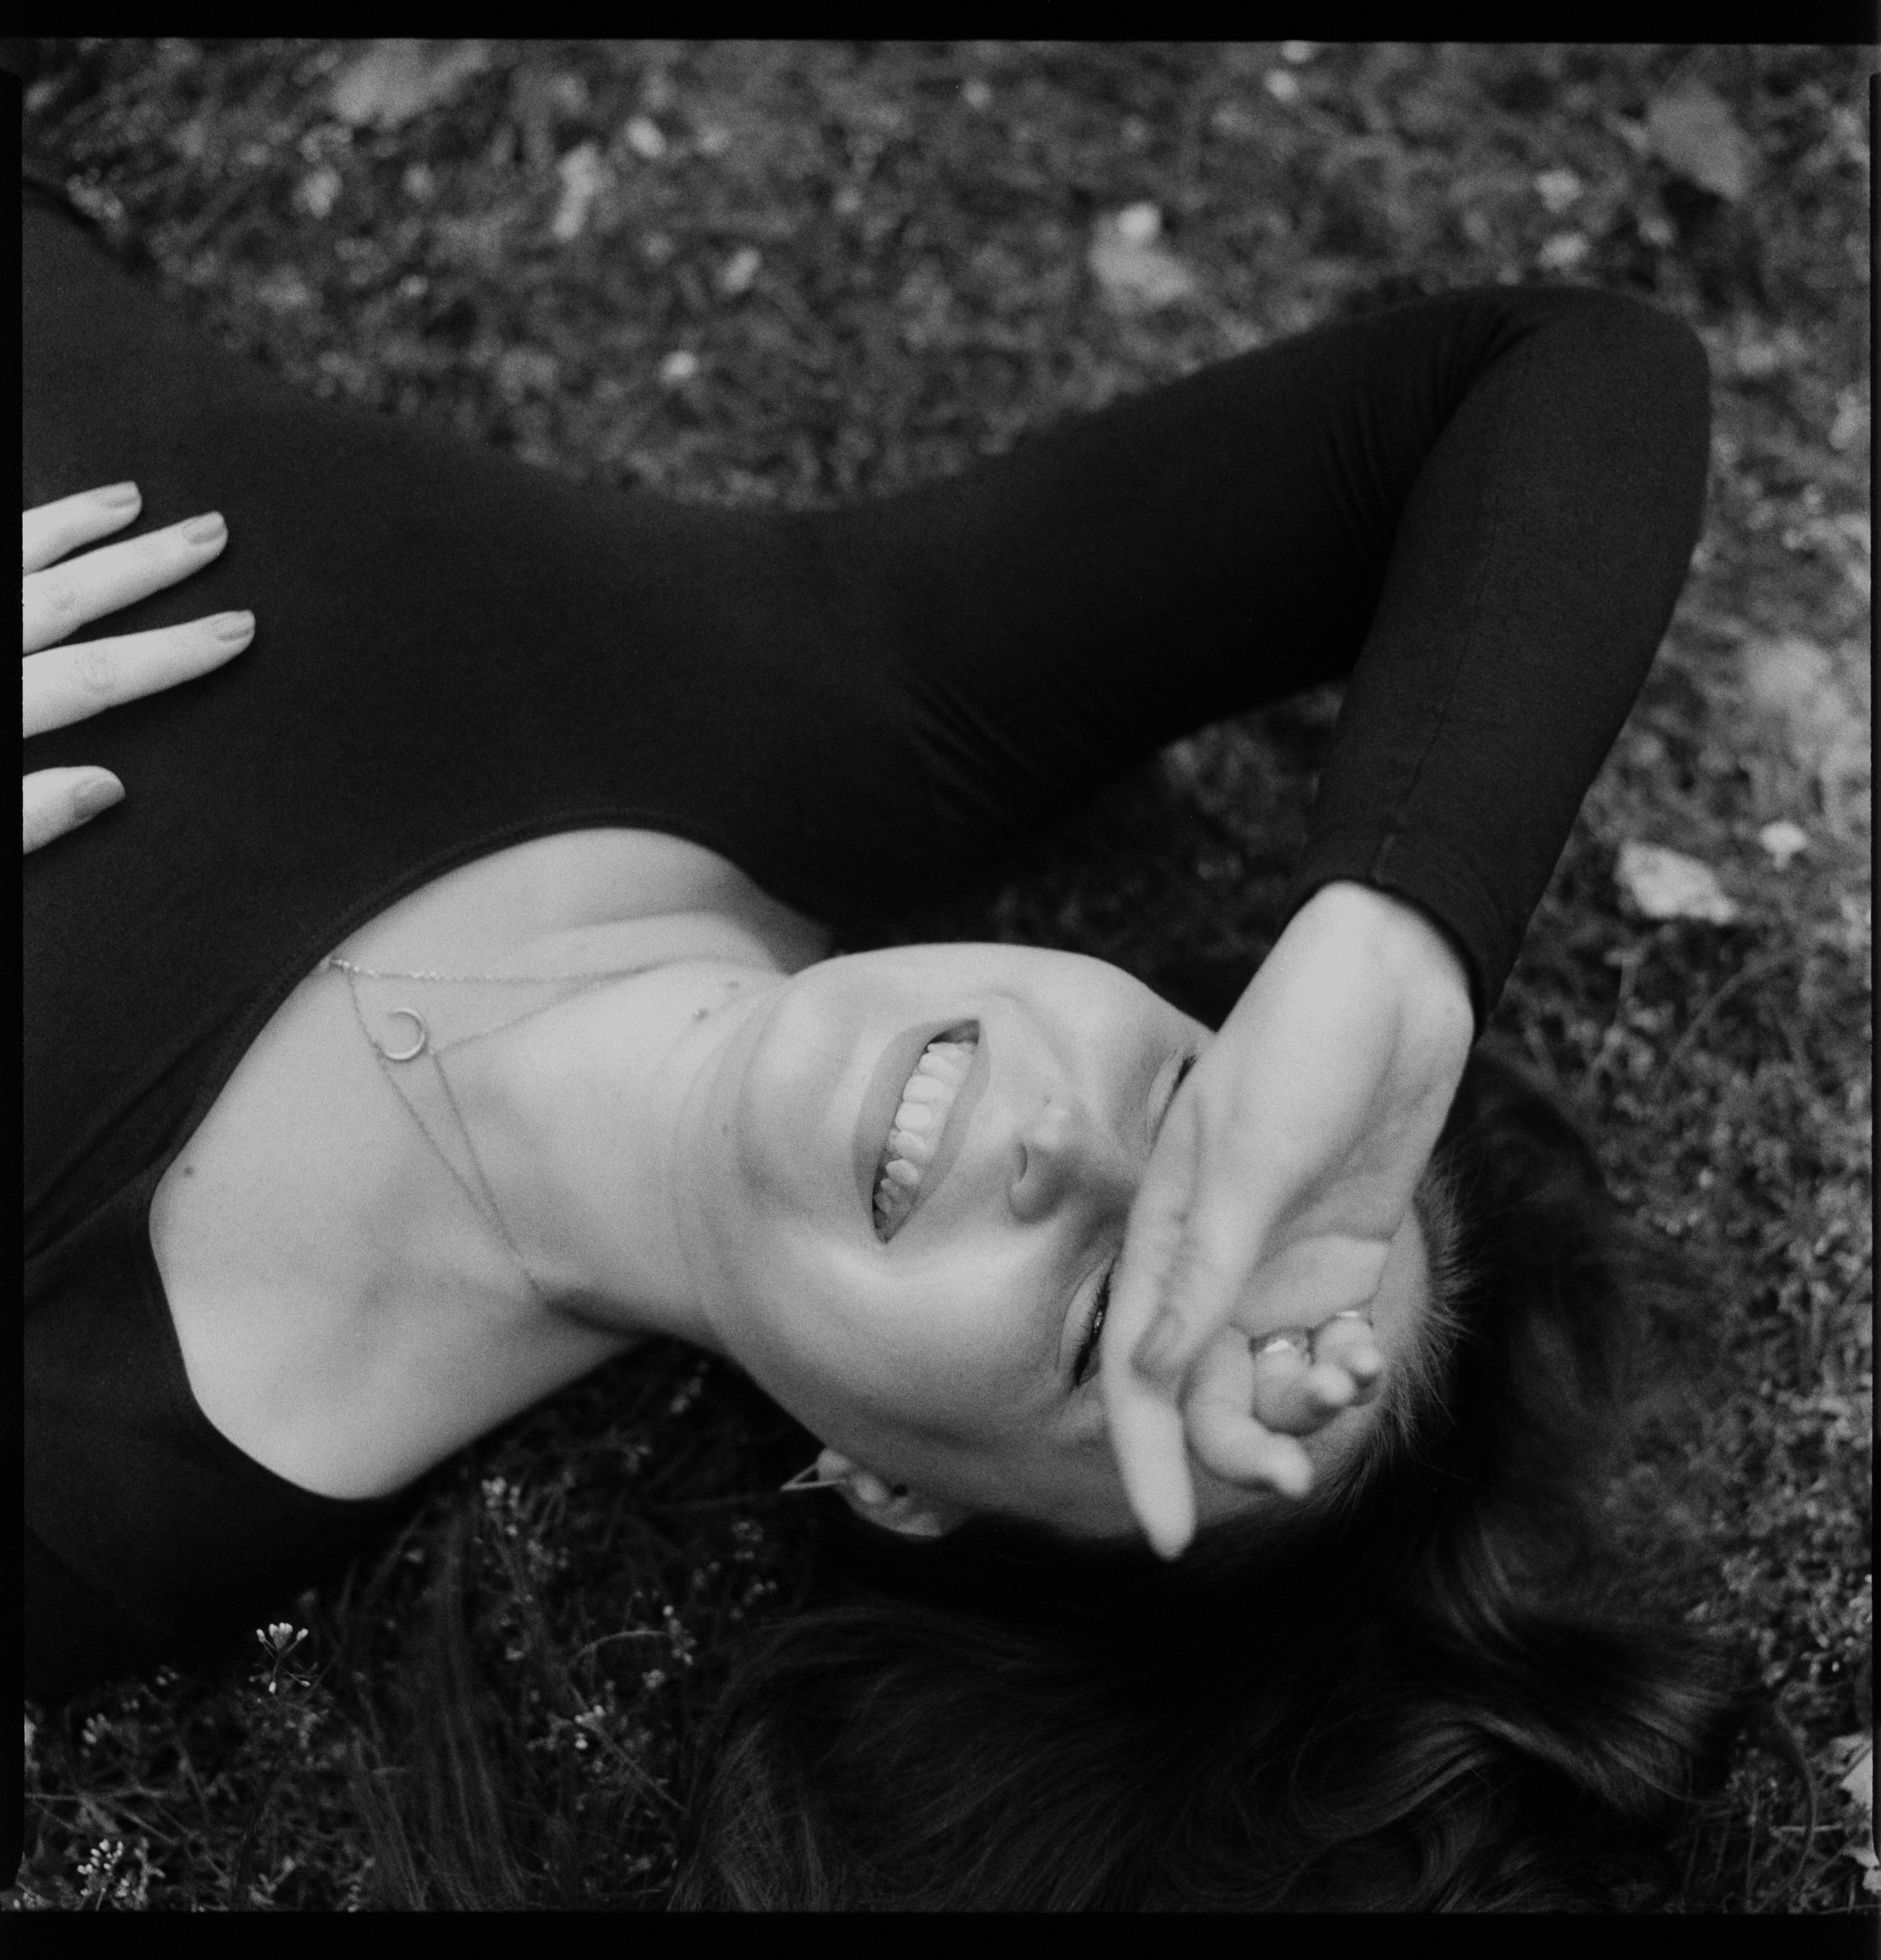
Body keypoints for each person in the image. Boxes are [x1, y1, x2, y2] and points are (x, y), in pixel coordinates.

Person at [24, 161, 1754, 1907]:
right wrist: (1394, 937)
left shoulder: (102, 1491)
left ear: (901, 1493)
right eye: (1189, 1102)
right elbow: (1563, 374)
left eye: (1112, 1321)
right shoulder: (836, 710)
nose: (1061, 1142)